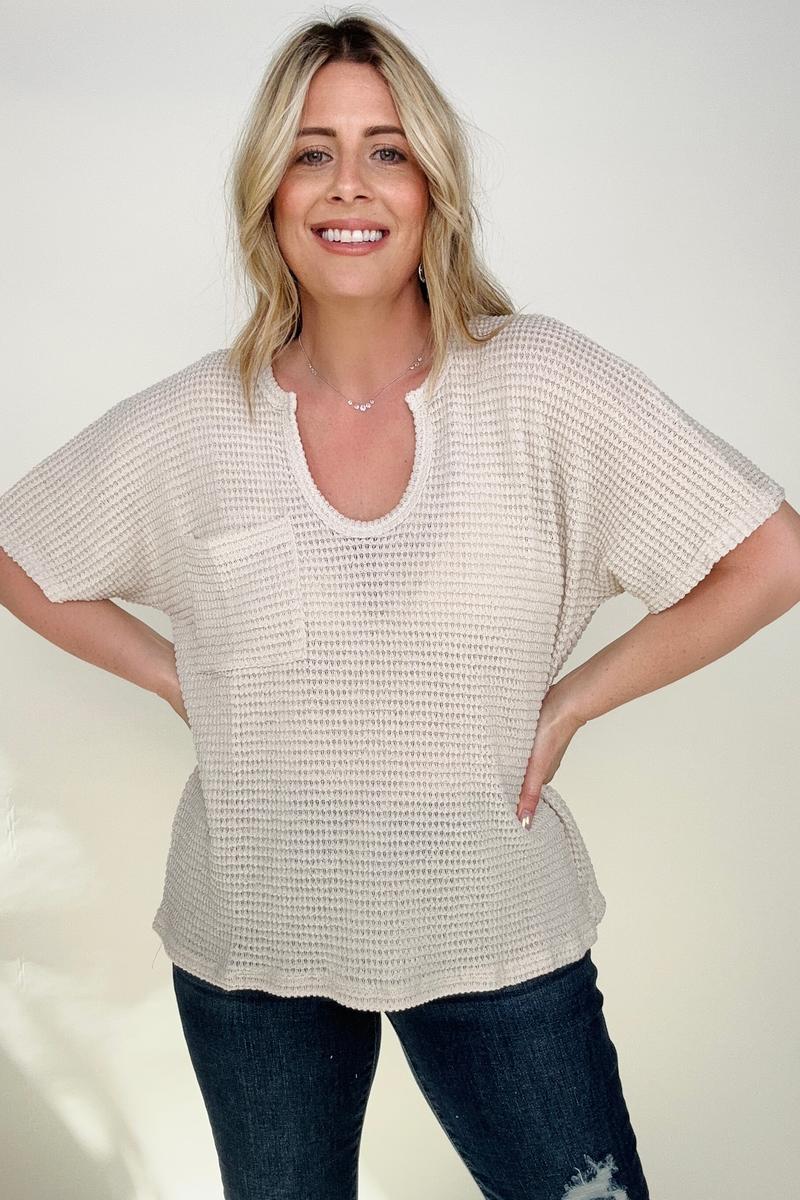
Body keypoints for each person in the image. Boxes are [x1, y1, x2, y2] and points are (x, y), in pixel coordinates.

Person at [1, 11, 798, 1200]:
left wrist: (571, 701)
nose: (347, 185)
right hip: (254, 936)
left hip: (489, 923)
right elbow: (22, 553)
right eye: (310, 152)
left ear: (432, 188)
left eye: (386, 149)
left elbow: (769, 558)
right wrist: (178, 678)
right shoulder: (195, 421)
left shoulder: (538, 383)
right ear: (269, 194)